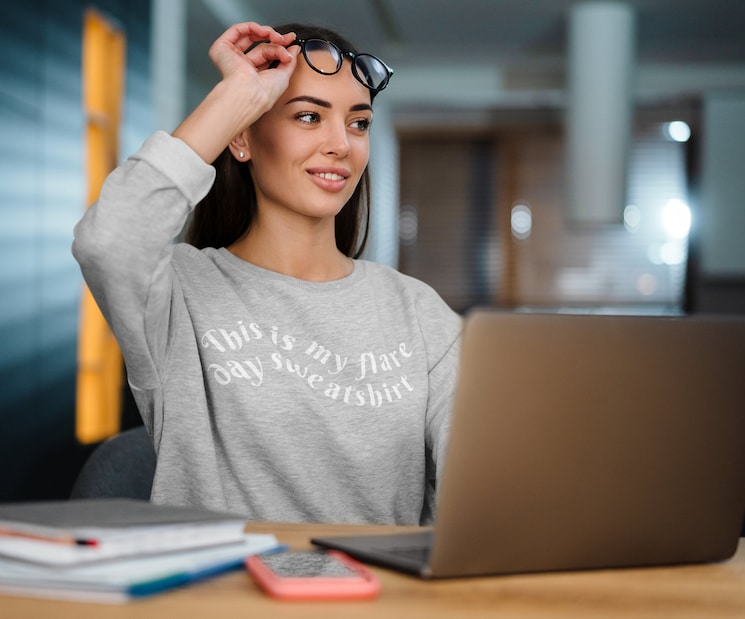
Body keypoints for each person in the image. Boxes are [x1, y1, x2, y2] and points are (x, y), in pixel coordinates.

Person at [72, 21, 462, 525]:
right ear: (242, 139)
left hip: (375, 600)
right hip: (224, 598)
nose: (341, 144)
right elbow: (108, 239)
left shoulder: (418, 311)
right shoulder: (178, 294)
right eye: (307, 116)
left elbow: (477, 488)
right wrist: (236, 95)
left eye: (359, 123)